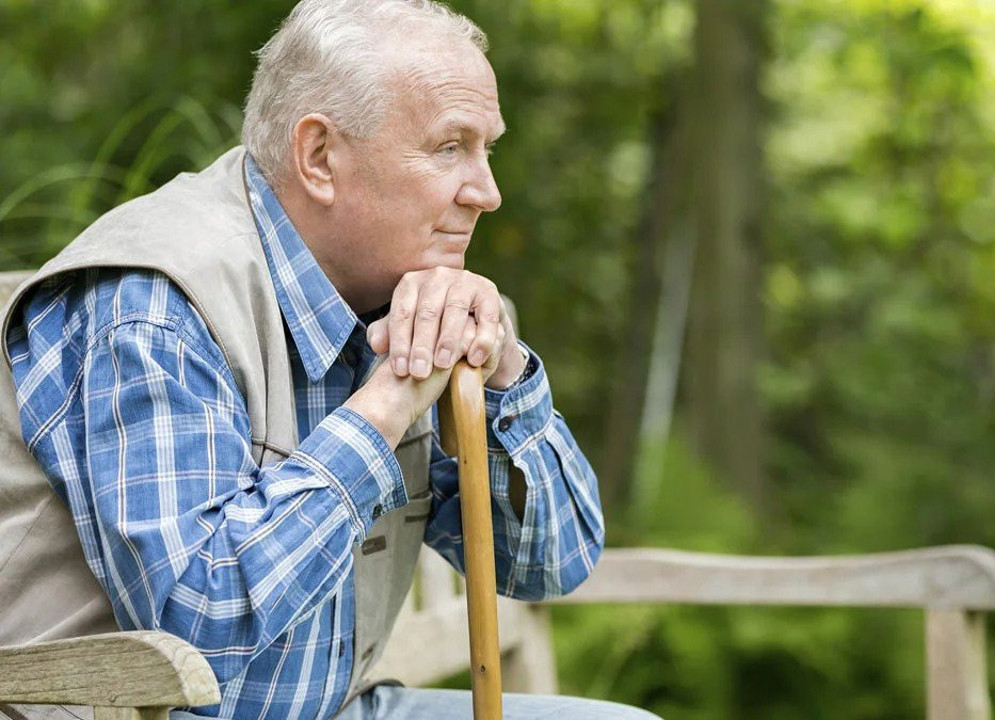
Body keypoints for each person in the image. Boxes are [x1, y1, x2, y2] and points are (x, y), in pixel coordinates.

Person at [0, 1, 656, 719]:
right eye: (449, 148)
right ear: (318, 157)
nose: (487, 193)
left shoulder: (389, 292)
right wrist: (387, 403)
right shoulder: (154, 304)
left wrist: (501, 371)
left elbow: (548, 566)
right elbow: (199, 625)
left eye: (486, 150)